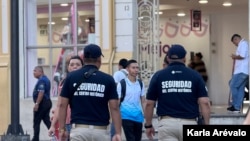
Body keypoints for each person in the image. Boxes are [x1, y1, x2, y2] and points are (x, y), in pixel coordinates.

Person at [144, 44, 211, 141]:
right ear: (184, 58)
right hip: (190, 122)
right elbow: (205, 102)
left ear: (168, 58)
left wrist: (148, 125)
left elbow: (149, 104)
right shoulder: (195, 75)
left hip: (167, 124)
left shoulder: (158, 76)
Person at [58, 44, 122, 141]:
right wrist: (117, 133)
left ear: (83, 59)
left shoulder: (71, 77)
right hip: (100, 131)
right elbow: (114, 107)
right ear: (99, 59)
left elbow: (62, 105)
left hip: (79, 131)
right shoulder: (108, 79)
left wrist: (62, 129)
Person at [48, 55, 84, 140]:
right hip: (67, 123)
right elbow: (59, 106)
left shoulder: (87, 82)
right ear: (68, 68)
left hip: (81, 124)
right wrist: (53, 125)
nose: (74, 66)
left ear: (82, 67)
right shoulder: (63, 82)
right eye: (71, 65)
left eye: (77, 64)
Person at [117, 59, 145, 141]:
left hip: (138, 117)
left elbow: (143, 101)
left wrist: (147, 117)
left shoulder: (140, 83)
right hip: (126, 116)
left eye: (137, 68)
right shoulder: (122, 84)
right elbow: (117, 101)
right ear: (127, 69)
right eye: (133, 68)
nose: (136, 70)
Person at [227, 34, 249, 113]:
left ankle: (235, 105)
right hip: (243, 71)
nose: (235, 44)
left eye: (234, 42)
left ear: (236, 39)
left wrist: (234, 56)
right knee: (240, 88)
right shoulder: (244, 44)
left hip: (241, 71)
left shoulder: (243, 44)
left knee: (232, 84)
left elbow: (242, 56)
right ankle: (236, 107)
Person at [32, 66, 52, 141]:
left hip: (42, 103)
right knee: (46, 120)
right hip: (46, 103)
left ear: (40, 72)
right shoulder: (45, 79)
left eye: (35, 71)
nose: (33, 73)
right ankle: (55, 135)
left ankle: (35, 138)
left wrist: (37, 104)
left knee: (36, 121)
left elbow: (41, 92)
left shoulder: (42, 80)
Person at [110, 58, 128, 139]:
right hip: (128, 103)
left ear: (120, 66)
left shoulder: (118, 73)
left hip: (119, 101)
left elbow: (114, 86)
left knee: (115, 120)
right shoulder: (130, 74)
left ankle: (114, 136)